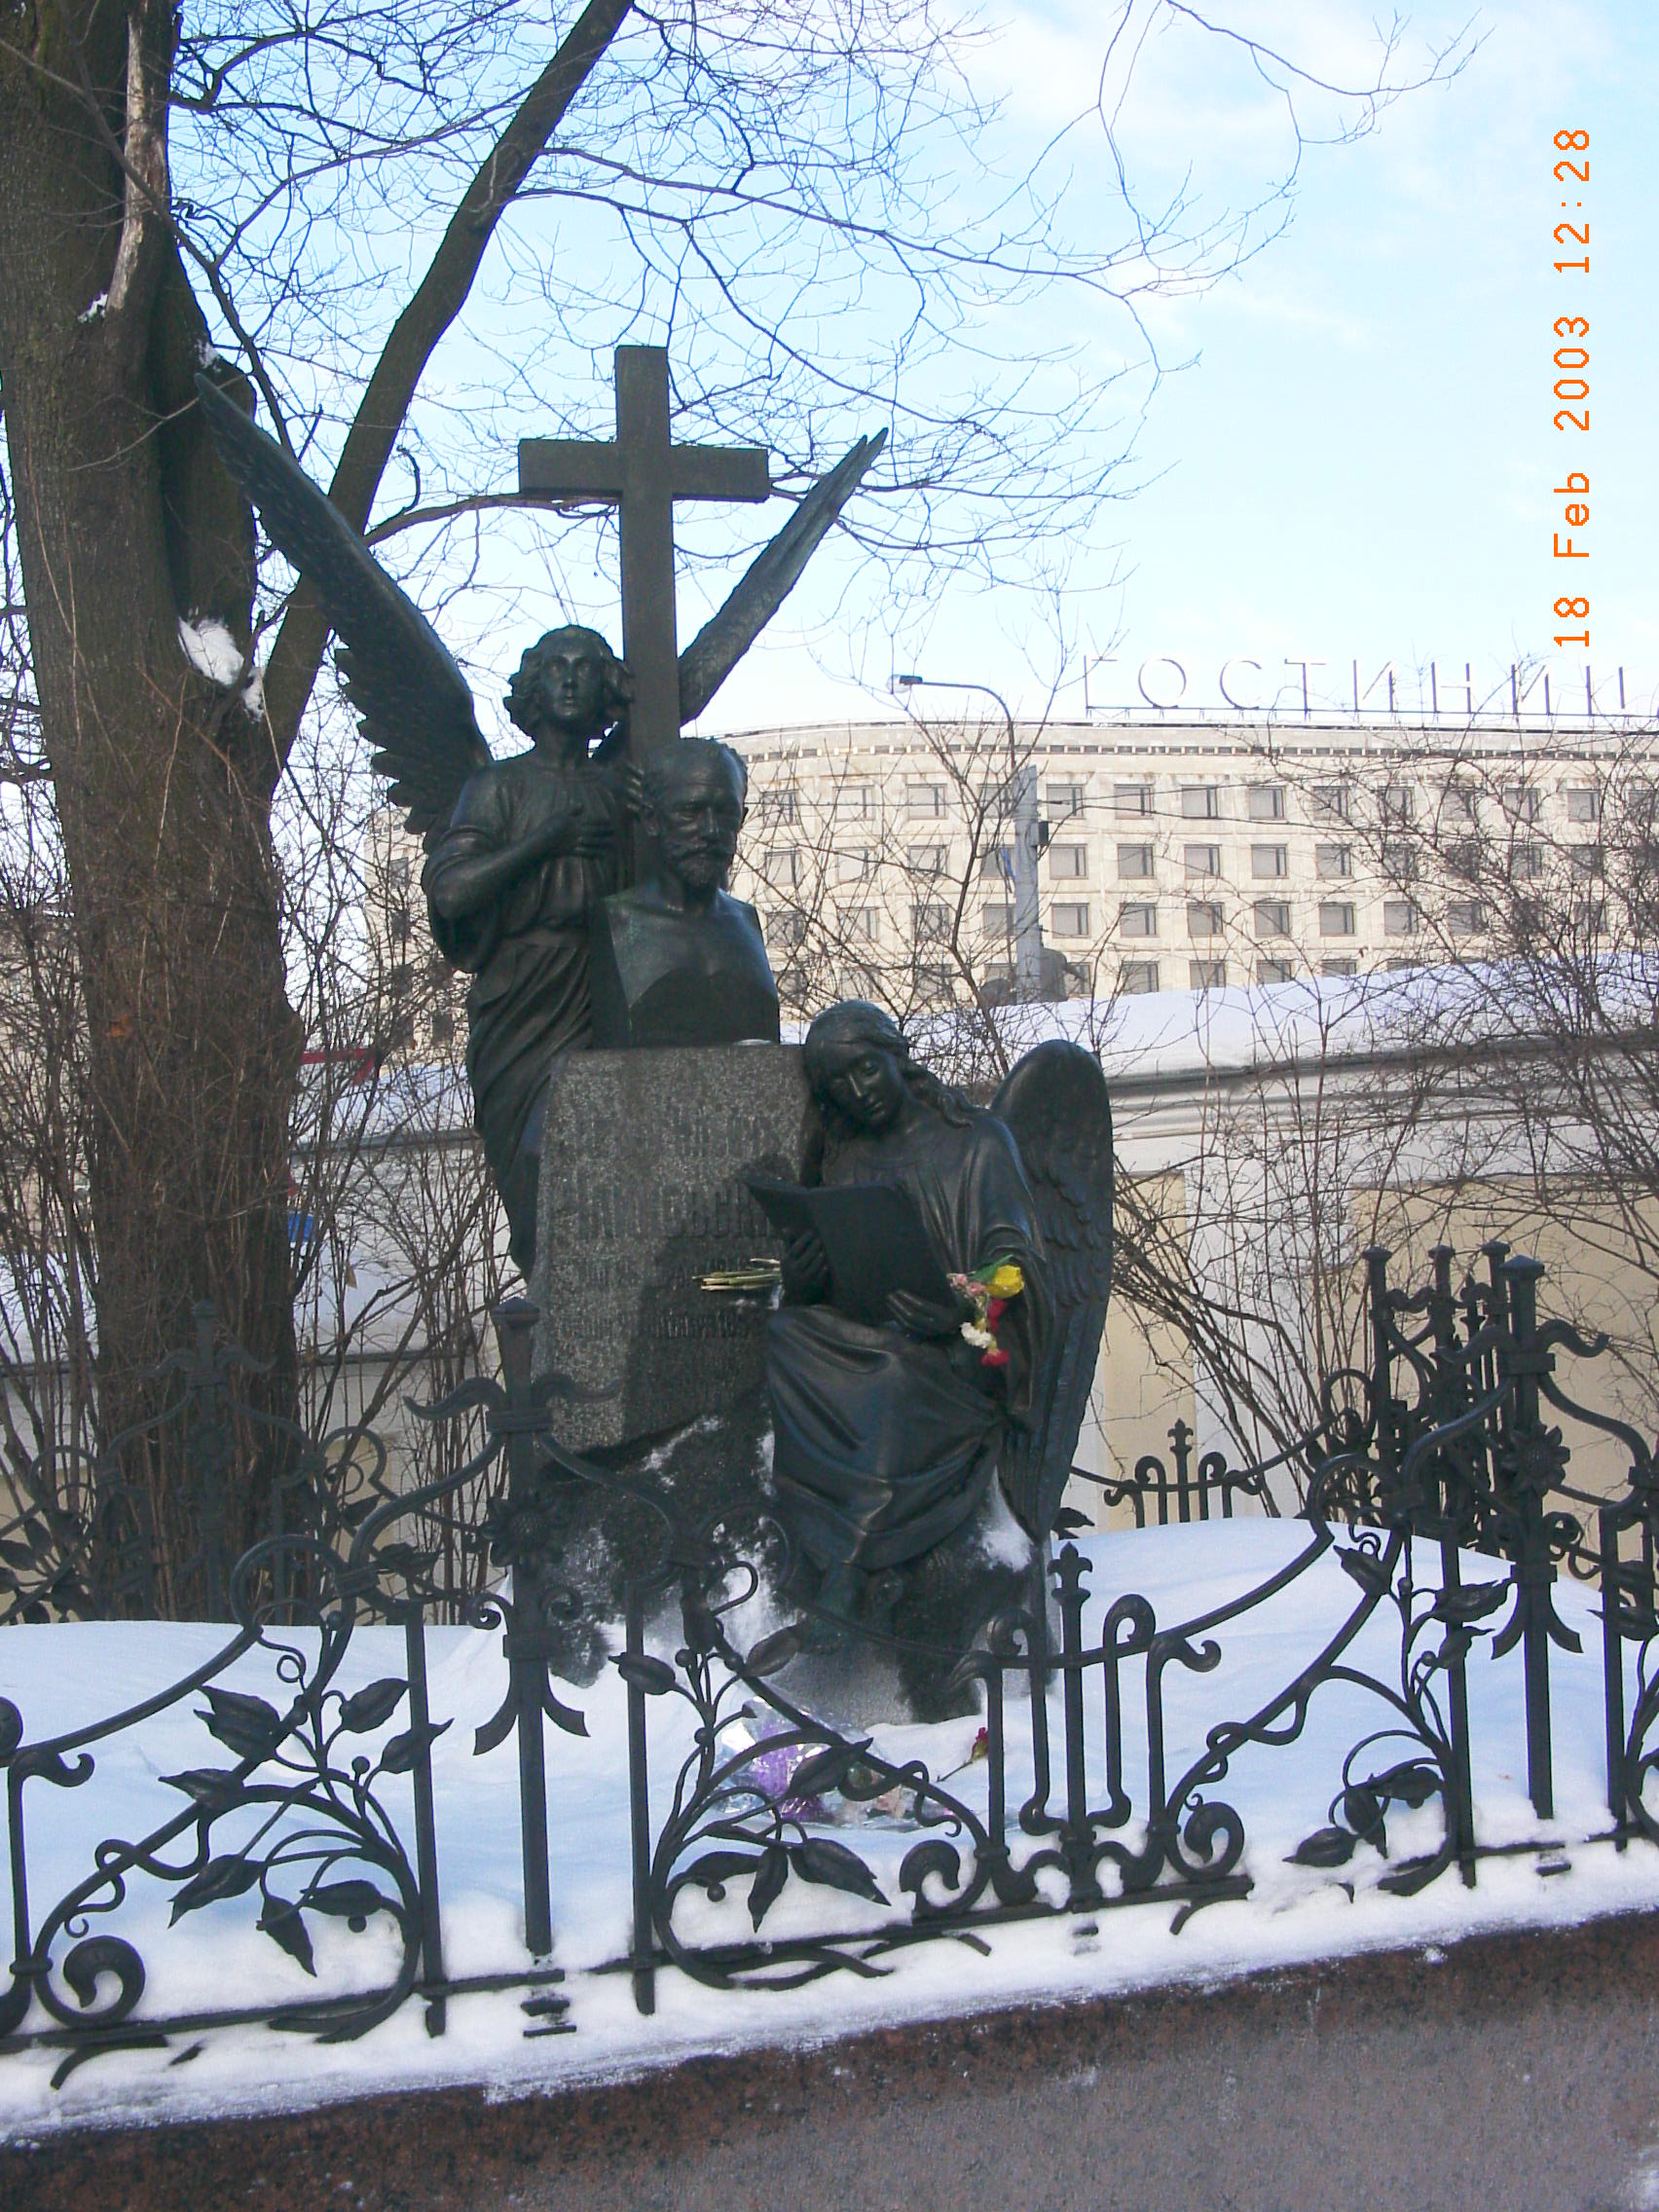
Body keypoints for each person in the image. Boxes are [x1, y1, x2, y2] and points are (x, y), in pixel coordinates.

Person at [767, 1000, 1051, 1625]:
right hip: (876, 1335)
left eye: (866, 1068)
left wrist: (957, 1306)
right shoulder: (846, 1161)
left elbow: (1018, 1266)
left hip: (962, 1348)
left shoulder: (978, 1143)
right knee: (787, 1334)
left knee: (892, 1376)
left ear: (896, 1055)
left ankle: (849, 1569)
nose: (858, 1091)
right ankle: (809, 1533)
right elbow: (846, 1272)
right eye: (839, 1084)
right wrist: (806, 1282)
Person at [423, 626, 630, 1272]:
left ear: (605, 688)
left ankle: (593, 1307)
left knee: (596, 1165)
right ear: (534, 687)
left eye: (585, 668)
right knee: (533, 1166)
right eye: (555, 667)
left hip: (600, 990)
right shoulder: (498, 787)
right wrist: (545, 841)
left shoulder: (617, 790)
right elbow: (452, 891)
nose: (569, 679)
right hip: (519, 1000)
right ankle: (551, 1310)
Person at [587, 737, 780, 1048]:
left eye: (726, 812)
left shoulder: (747, 921)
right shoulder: (616, 922)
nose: (711, 830)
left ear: (742, 819)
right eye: (691, 812)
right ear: (652, 819)